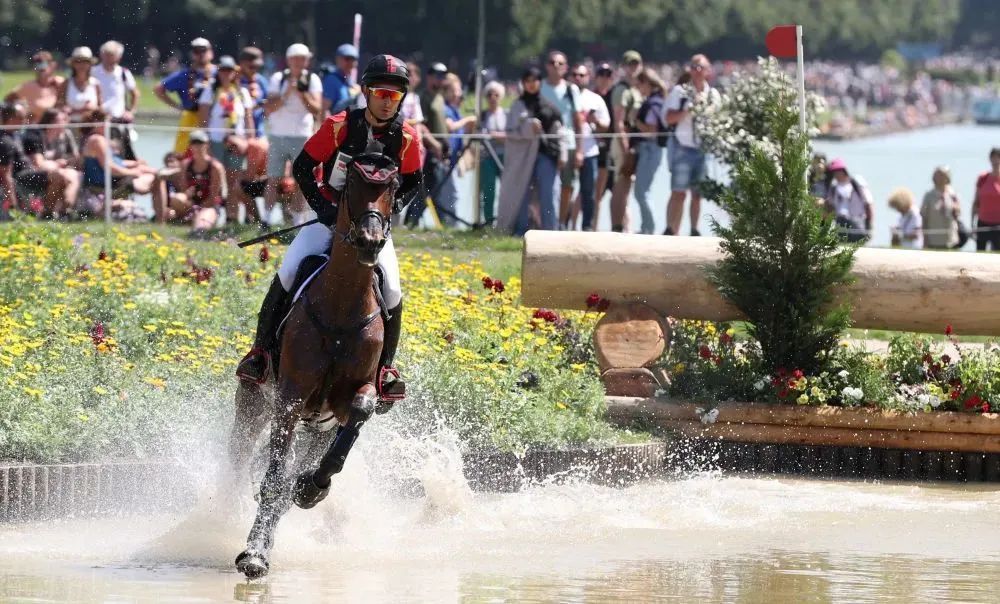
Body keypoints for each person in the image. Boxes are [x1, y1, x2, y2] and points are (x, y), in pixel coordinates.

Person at [236, 54, 424, 403]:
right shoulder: (339, 125)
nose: (387, 101)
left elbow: (414, 181)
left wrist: (389, 212)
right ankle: (260, 354)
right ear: (366, 92)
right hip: (328, 216)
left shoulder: (408, 138)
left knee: (393, 290)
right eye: (381, 93)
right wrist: (323, 208)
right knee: (290, 270)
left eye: (394, 96)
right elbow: (305, 167)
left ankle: (385, 372)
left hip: (373, 226)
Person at [264, 43, 323, 227]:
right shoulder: (278, 78)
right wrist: (286, 93)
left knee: (301, 180)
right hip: (278, 134)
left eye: (303, 58)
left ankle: (298, 220)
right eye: (296, 58)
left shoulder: (312, 79)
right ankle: (266, 220)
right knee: (273, 178)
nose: (300, 62)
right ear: (289, 60)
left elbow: (317, 109)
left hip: (302, 135)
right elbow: (269, 108)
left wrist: (302, 94)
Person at [499, 66, 563, 236]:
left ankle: (551, 232)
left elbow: (559, 132)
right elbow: (511, 132)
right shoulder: (517, 106)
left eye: (534, 80)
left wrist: (561, 154)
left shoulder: (550, 107)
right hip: (523, 158)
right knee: (521, 194)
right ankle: (521, 231)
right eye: (527, 81)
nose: (531, 84)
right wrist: (527, 127)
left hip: (546, 156)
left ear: (539, 83)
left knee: (548, 195)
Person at [664, 54, 721, 236]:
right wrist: (687, 110)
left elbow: (719, 120)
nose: (697, 71)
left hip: (702, 149)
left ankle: (694, 230)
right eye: (694, 67)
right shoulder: (680, 92)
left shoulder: (713, 94)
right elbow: (668, 118)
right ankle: (672, 230)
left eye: (701, 67)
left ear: (708, 71)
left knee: (698, 194)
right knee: (678, 192)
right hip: (682, 147)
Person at [198, 55, 255, 224]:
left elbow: (248, 118)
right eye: (222, 70)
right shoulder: (211, 90)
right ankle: (212, 218)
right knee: (216, 181)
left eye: (229, 70)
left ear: (234, 72)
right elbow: (204, 117)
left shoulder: (241, 92)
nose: (225, 74)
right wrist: (205, 140)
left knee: (234, 181)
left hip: (236, 142)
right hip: (215, 140)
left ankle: (232, 217)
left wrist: (249, 139)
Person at [0, 102, 79, 217]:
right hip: (21, 177)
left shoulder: (15, 135)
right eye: (22, 117)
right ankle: (47, 213)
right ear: (12, 118)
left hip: (29, 172)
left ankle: (59, 212)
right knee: (58, 176)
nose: (25, 121)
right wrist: (13, 206)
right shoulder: (5, 141)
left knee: (64, 178)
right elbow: (5, 174)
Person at [540, 50, 583, 229]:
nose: (555, 66)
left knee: (567, 185)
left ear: (565, 68)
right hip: (545, 144)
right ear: (546, 65)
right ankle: (544, 223)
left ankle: (561, 223)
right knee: (545, 186)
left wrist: (580, 150)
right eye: (552, 62)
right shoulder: (540, 87)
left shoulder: (571, 89)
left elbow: (578, 120)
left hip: (569, 142)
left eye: (560, 63)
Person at [151, 132, 226, 233]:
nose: (197, 146)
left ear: (207, 144)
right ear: (190, 146)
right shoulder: (186, 164)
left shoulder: (215, 167)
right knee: (176, 199)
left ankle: (196, 220)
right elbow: (183, 190)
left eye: (200, 143)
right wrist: (188, 194)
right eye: (194, 143)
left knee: (200, 229)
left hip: (209, 206)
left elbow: (214, 197)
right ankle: (177, 220)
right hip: (191, 203)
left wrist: (199, 208)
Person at [404, 61, 449, 227]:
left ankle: (415, 221)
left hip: (440, 149)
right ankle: (412, 221)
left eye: (443, 76)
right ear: (429, 77)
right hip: (428, 151)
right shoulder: (424, 97)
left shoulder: (439, 97)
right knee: (426, 189)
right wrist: (434, 144)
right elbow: (421, 125)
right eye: (438, 76)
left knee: (431, 188)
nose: (441, 80)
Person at [155, 37, 216, 153]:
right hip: (190, 118)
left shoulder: (219, 73)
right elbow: (158, 89)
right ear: (192, 54)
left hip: (214, 119)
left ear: (211, 52)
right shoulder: (184, 75)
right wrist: (177, 106)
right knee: (182, 154)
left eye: (204, 50)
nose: (201, 54)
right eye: (197, 51)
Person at [80, 110, 157, 200]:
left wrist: (134, 164)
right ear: (98, 123)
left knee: (151, 171)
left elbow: (114, 161)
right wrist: (133, 172)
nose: (109, 126)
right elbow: (109, 166)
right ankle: (163, 212)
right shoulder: (97, 140)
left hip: (113, 178)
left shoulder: (96, 139)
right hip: (107, 183)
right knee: (157, 178)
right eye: (107, 122)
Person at [570, 63, 610, 231]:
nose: (578, 78)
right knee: (565, 189)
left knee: (589, 192)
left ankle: (587, 227)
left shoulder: (595, 99)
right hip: (567, 149)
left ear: (588, 77)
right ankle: (561, 225)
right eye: (575, 74)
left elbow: (606, 125)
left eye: (582, 75)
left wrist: (595, 121)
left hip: (590, 151)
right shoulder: (564, 95)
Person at [608, 51, 644, 232]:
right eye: (630, 64)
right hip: (624, 140)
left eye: (636, 63)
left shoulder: (635, 89)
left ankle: (624, 225)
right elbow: (619, 122)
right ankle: (616, 226)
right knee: (621, 183)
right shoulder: (622, 89)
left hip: (633, 141)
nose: (633, 67)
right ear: (623, 67)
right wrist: (626, 147)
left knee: (627, 185)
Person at [632, 68, 669, 234]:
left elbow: (651, 131)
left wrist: (635, 120)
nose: (638, 87)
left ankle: (649, 228)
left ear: (647, 83)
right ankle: (646, 227)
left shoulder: (653, 103)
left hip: (650, 149)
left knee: (641, 191)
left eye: (639, 83)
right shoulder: (659, 100)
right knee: (642, 191)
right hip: (653, 150)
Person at [439, 73, 476, 226]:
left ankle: (449, 224)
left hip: (454, 158)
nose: (457, 94)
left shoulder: (456, 110)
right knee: (450, 194)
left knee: (449, 194)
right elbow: (450, 126)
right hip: (445, 158)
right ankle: (451, 225)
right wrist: (468, 120)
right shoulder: (446, 109)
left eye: (458, 90)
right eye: (454, 90)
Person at [93, 40, 140, 160]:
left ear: (118, 57)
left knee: (122, 151)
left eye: (112, 55)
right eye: (106, 54)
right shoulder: (94, 72)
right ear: (102, 55)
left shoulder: (123, 73)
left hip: (119, 120)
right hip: (99, 119)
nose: (108, 58)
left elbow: (135, 93)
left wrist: (131, 111)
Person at [823, 158, 874, 243]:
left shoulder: (856, 183)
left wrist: (870, 225)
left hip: (857, 222)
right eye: (833, 172)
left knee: (858, 248)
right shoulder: (834, 187)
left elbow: (869, 204)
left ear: (843, 170)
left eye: (837, 171)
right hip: (840, 222)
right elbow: (830, 207)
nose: (836, 174)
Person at [7, 51, 65, 123]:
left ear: (53, 65)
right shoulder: (28, 86)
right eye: (37, 63)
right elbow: (8, 100)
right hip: (35, 127)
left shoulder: (60, 82)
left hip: (58, 124)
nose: (41, 66)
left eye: (44, 63)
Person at [591, 63, 616, 229]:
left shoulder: (615, 96)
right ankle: (593, 227)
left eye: (608, 75)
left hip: (612, 150)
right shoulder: (591, 97)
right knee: (595, 192)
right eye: (602, 74)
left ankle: (623, 229)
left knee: (618, 191)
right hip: (595, 149)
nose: (605, 78)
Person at [479, 81, 506, 225]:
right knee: (489, 190)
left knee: (506, 190)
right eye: (489, 94)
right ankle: (488, 221)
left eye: (496, 94)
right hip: (487, 157)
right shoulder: (482, 116)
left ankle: (505, 221)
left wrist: (495, 135)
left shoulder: (506, 114)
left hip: (503, 156)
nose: (493, 97)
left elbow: (509, 135)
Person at [920, 166, 962, 250]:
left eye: (943, 175)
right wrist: (925, 239)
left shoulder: (952, 194)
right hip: (934, 240)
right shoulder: (929, 196)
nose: (941, 178)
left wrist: (956, 208)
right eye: (938, 175)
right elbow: (924, 218)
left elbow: (958, 214)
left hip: (951, 239)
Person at [58, 47, 102, 125]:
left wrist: (92, 109)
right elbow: (59, 104)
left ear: (90, 64)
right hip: (69, 125)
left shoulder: (96, 84)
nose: (82, 64)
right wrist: (67, 109)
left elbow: (100, 108)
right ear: (73, 64)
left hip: (90, 126)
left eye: (85, 61)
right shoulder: (66, 83)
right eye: (78, 61)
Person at [972, 148, 1000, 252]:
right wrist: (972, 224)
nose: (995, 161)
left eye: (998, 158)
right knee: (980, 253)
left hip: (998, 225)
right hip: (983, 222)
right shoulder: (983, 178)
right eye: (993, 158)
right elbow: (976, 202)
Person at [238, 47, 269, 139]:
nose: (254, 70)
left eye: (257, 67)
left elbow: (268, 102)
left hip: (258, 131)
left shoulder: (261, 81)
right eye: (251, 67)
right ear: (242, 63)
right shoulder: (234, 80)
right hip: (238, 133)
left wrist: (261, 104)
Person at [321, 43, 360, 116]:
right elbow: (324, 109)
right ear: (338, 60)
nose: (351, 62)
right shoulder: (331, 80)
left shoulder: (350, 81)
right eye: (347, 59)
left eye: (353, 59)